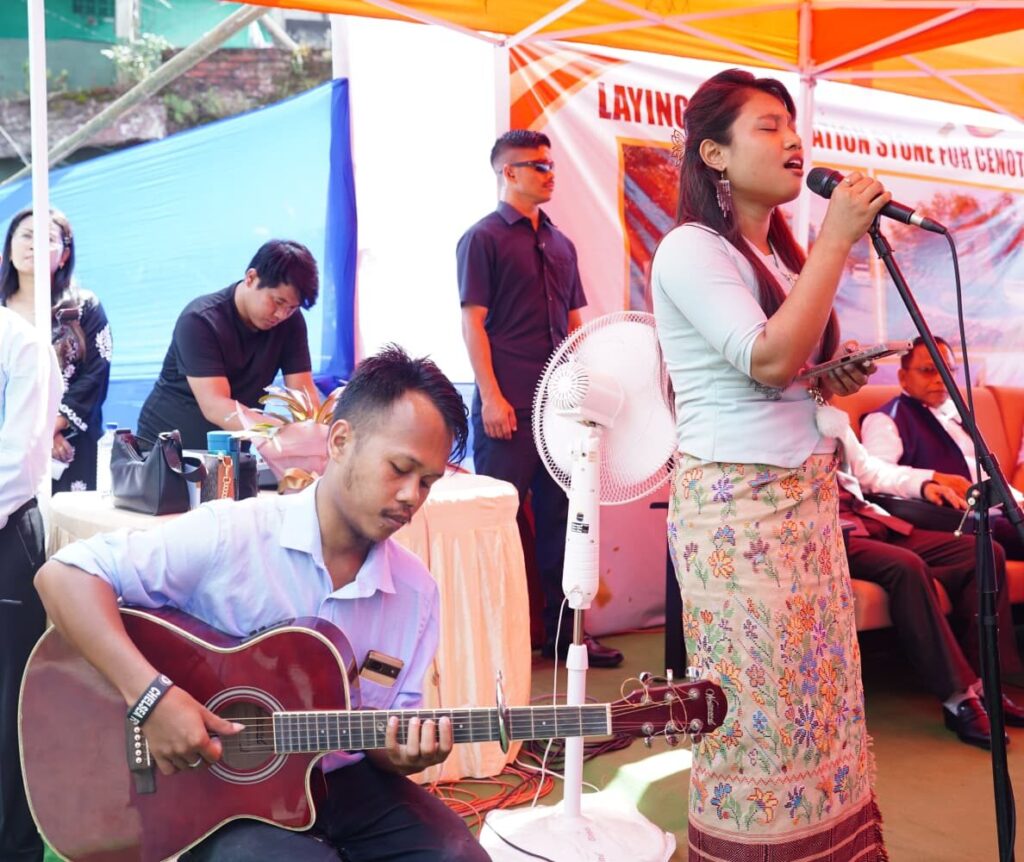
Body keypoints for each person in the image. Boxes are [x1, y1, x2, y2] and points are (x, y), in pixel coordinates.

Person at [35, 345, 489, 862]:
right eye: (400, 469)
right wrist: (152, 697)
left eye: (428, 482)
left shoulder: (415, 594)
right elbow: (64, 575)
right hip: (206, 794)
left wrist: (403, 753)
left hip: (338, 783)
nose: (412, 495)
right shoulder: (233, 535)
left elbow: (383, 737)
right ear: (340, 441)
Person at [650, 69, 889, 859]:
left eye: (792, 124)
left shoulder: (776, 252)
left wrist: (833, 374)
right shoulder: (691, 247)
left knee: (817, 699)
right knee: (760, 711)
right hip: (737, 513)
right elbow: (766, 359)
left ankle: (829, 838)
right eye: (766, 127)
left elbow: (793, 366)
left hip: (802, 502)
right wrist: (835, 241)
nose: (792, 140)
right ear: (714, 154)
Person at [457, 129, 622, 669]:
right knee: (500, 523)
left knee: (566, 523)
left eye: (552, 165)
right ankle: (499, 641)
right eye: (539, 166)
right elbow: (472, 324)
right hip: (507, 407)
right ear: (509, 173)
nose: (551, 174)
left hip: (562, 412)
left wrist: (589, 395)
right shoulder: (481, 239)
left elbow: (576, 327)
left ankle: (567, 637)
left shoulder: (561, 243)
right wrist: (490, 399)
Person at [837, 424, 1024, 748]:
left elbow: (869, 471)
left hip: (875, 519)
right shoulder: (768, 421)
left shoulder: (830, 418)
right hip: (833, 532)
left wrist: (923, 485)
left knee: (983, 552)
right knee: (906, 566)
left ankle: (986, 686)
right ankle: (957, 697)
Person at [137, 239, 321, 449]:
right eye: (277, 302)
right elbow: (216, 405)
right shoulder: (200, 320)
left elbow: (303, 393)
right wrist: (281, 434)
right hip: (166, 449)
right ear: (251, 278)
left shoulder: (291, 323)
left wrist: (316, 435)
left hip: (230, 451)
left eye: (291, 308)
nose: (281, 314)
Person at [860, 335, 1024, 559]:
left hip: (992, 512)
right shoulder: (887, 418)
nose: (940, 379)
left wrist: (1018, 500)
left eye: (948, 371)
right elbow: (874, 472)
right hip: (949, 521)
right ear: (903, 377)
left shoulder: (957, 418)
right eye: (928, 370)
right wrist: (930, 479)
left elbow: (982, 473)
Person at [0, 305, 62, 862]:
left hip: (6, 534)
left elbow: (19, 462)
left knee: (7, 709)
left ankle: (14, 847)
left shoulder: (21, 344)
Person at [1, 208, 112, 492]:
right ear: (9, 247)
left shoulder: (84, 306)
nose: (34, 244)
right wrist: (29, 435)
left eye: (47, 238)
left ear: (64, 255)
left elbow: (96, 375)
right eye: (26, 235)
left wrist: (50, 429)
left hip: (70, 446)